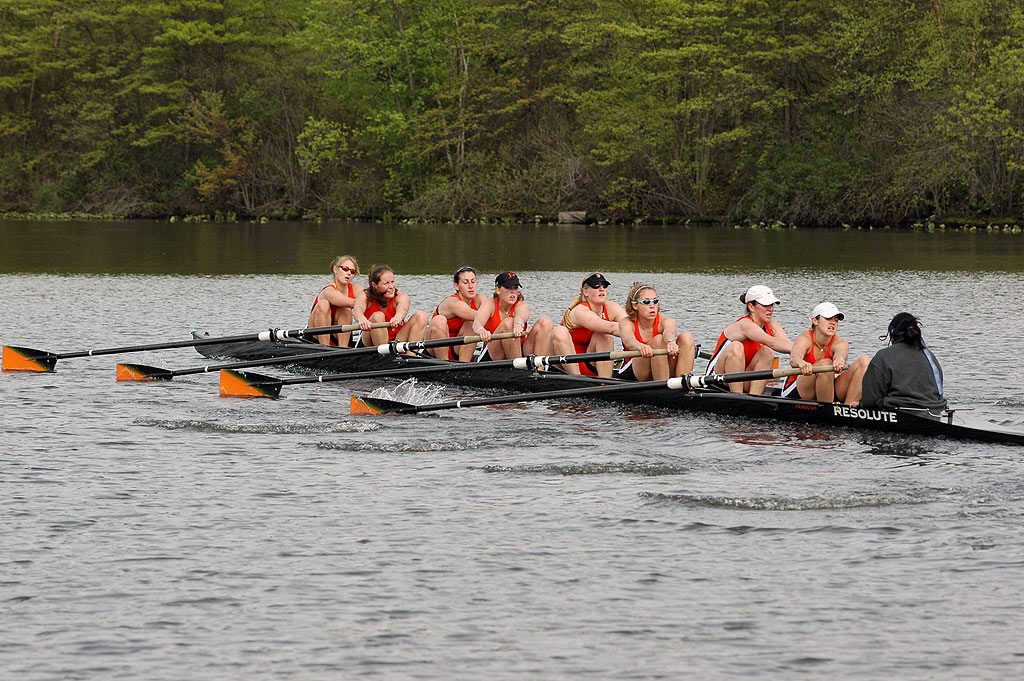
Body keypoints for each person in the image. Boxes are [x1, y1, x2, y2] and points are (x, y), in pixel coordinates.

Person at [705, 284, 793, 394]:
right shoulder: (745, 324)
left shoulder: (771, 323)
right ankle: (737, 396)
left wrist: (803, 357)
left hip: (743, 377)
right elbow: (772, 342)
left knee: (767, 352)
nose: (770, 308)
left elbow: (789, 345)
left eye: (772, 304)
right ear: (751, 307)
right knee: (736, 347)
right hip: (717, 379)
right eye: (766, 305)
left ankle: (755, 397)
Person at [781, 302, 870, 405]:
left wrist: (839, 360)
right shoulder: (805, 338)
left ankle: (848, 409)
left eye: (836, 320)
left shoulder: (840, 343)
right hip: (799, 388)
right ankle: (828, 411)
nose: (833, 323)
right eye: (828, 318)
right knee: (826, 363)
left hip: (827, 385)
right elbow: (794, 358)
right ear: (815, 321)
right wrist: (801, 363)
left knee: (864, 362)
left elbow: (840, 354)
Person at [859, 312, 946, 410]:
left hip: (900, 413)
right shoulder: (930, 356)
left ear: (892, 334)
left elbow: (868, 401)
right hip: (935, 411)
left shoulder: (883, 356)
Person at [550, 272, 628, 377]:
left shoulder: (612, 307)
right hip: (566, 365)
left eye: (604, 286)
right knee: (559, 331)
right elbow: (611, 328)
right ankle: (577, 380)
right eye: (596, 286)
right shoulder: (580, 311)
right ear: (585, 291)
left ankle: (605, 384)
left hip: (590, 364)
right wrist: (632, 331)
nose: (602, 289)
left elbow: (630, 324)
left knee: (604, 336)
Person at [616, 282, 696, 381]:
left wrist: (671, 342)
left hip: (660, 367)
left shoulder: (666, 321)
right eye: (646, 302)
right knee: (658, 340)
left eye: (655, 301)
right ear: (635, 306)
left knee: (686, 337)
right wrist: (641, 347)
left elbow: (669, 331)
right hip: (634, 371)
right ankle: (662, 387)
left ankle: (682, 382)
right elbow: (629, 341)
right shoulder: (627, 322)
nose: (652, 306)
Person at [472, 272, 553, 361]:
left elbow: (521, 316)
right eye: (508, 288)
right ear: (498, 290)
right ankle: (519, 369)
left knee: (546, 322)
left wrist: (518, 324)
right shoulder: (489, 304)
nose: (513, 292)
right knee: (508, 323)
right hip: (494, 352)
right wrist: (481, 331)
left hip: (520, 348)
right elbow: (477, 323)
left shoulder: (521, 305)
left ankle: (539, 369)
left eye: (515, 288)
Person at [353, 265, 428, 347]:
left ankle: (411, 356)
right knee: (378, 316)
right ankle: (384, 356)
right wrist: (362, 319)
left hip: (397, 339)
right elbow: (357, 310)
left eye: (392, 282)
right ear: (374, 285)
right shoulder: (365, 295)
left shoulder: (400, 296)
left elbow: (403, 308)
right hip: (370, 341)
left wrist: (398, 317)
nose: (391, 287)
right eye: (386, 283)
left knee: (421, 316)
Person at [428, 267, 490, 361]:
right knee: (439, 320)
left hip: (456, 349)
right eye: (465, 282)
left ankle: (464, 365)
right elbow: (481, 316)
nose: (470, 286)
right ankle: (444, 364)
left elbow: (493, 313)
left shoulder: (480, 299)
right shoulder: (453, 302)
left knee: (471, 324)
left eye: (473, 281)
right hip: (433, 350)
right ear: (456, 286)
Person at [307, 255, 364, 346]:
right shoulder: (328, 291)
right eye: (345, 269)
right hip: (316, 337)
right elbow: (348, 302)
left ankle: (343, 349)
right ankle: (325, 347)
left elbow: (367, 299)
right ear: (335, 269)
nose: (349, 273)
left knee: (345, 309)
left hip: (339, 337)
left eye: (352, 271)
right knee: (324, 304)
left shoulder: (357, 289)